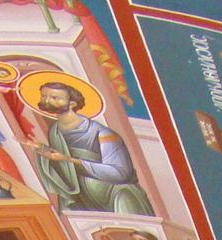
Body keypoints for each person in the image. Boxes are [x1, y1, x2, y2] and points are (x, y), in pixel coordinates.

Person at [26, 78, 153, 215]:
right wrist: (44, 151)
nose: (47, 101)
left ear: (72, 103)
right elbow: (64, 167)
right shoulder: (55, 130)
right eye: (44, 96)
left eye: (55, 98)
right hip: (83, 198)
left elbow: (120, 173)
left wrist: (69, 160)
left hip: (116, 196)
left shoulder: (102, 134)